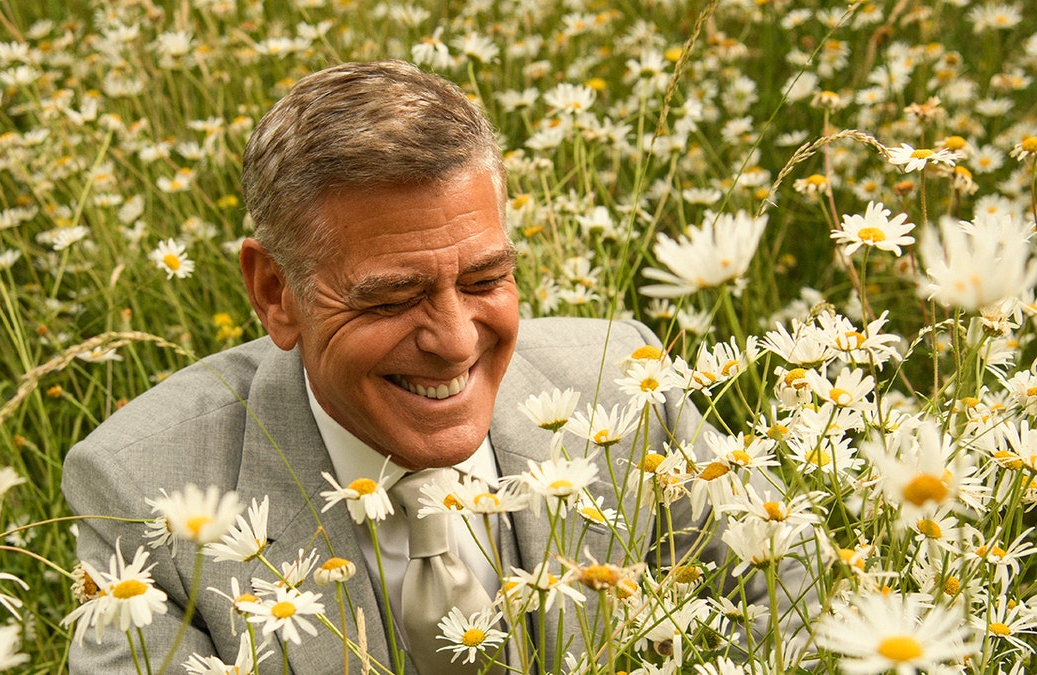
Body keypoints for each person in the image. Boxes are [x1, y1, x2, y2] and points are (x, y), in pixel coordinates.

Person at [62, 61, 787, 675]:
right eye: (394, 297)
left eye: (483, 281)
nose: (453, 338)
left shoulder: (626, 384)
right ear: (275, 293)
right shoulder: (142, 492)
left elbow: (799, 602)